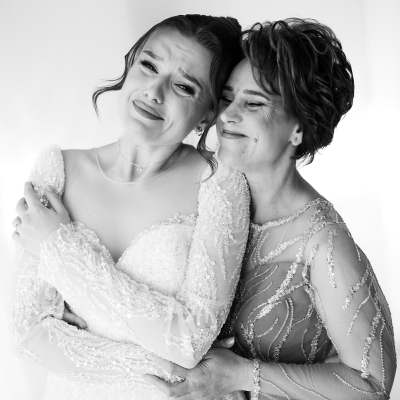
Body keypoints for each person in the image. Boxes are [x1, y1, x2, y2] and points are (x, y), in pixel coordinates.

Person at [142, 19, 397, 399]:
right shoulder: (202, 195)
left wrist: (241, 375)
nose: (227, 115)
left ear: (299, 128)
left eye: (253, 103)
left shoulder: (323, 242)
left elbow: (373, 385)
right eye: (226, 98)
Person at [11, 14, 250, 400]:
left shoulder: (221, 184)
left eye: (183, 86)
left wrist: (59, 248)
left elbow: (189, 341)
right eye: (149, 65)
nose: (154, 91)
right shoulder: (56, 170)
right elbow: (29, 335)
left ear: (208, 113)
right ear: (130, 63)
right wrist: (161, 364)